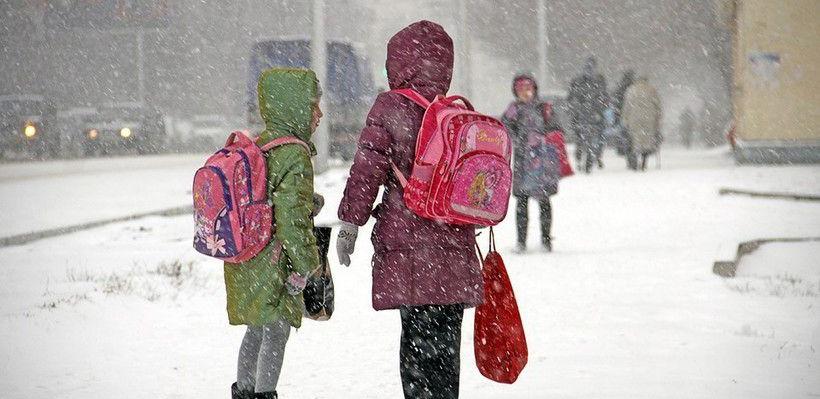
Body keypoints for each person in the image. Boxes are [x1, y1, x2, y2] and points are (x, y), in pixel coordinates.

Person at [335, 21, 483, 399]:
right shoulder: (457, 112)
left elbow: (367, 170)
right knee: (446, 349)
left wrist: (350, 221)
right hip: (454, 245)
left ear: (399, 62)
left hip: (408, 246)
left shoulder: (390, 107)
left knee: (416, 343)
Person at [225, 68, 324, 399]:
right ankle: (264, 394)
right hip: (276, 260)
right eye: (313, 106)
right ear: (295, 107)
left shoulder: (260, 144)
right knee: (277, 330)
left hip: (248, 255)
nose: (319, 114)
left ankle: (244, 393)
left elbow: (268, 195)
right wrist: (306, 266)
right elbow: (291, 219)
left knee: (256, 329)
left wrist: (308, 201)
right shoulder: (294, 152)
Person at [502, 74, 562, 253]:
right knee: (522, 201)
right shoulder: (513, 109)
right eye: (521, 90)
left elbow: (556, 129)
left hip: (542, 162)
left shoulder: (544, 108)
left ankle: (546, 240)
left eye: (528, 89)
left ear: (534, 90)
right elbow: (505, 128)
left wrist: (544, 139)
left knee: (544, 201)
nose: (525, 93)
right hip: (522, 161)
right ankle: (521, 242)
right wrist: (519, 140)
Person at [567, 57, 608, 173]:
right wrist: (600, 111)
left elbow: (571, 99)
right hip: (591, 116)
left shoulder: (579, 81)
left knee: (582, 140)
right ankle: (587, 162)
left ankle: (583, 160)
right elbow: (603, 98)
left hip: (584, 116)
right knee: (589, 141)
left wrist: (573, 111)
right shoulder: (598, 82)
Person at [621, 76, 662, 171]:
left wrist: (625, 119)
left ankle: (635, 159)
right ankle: (644, 160)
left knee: (635, 140)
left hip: (634, 119)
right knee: (646, 141)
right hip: (649, 118)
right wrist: (658, 120)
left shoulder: (631, 90)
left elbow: (627, 106)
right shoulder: (652, 90)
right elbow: (658, 106)